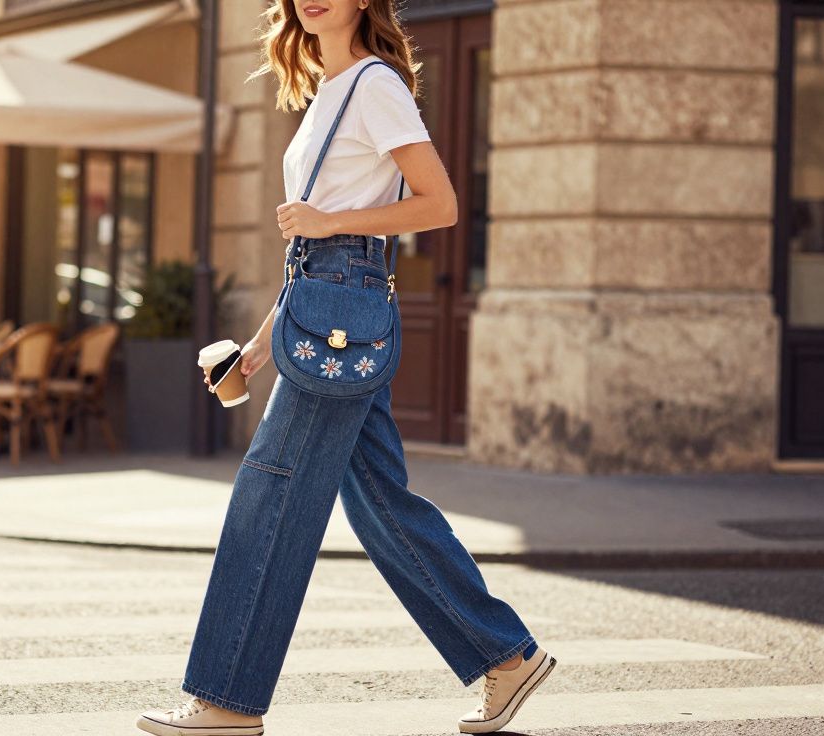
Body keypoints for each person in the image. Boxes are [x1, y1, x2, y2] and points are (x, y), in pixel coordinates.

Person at [136, 1, 554, 734]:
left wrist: (331, 222)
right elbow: (311, 256)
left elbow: (440, 205)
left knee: (270, 493)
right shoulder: (329, 92)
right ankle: (506, 656)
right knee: (380, 504)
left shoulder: (375, 84)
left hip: (343, 310)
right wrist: (259, 347)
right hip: (325, 309)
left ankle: (227, 700)